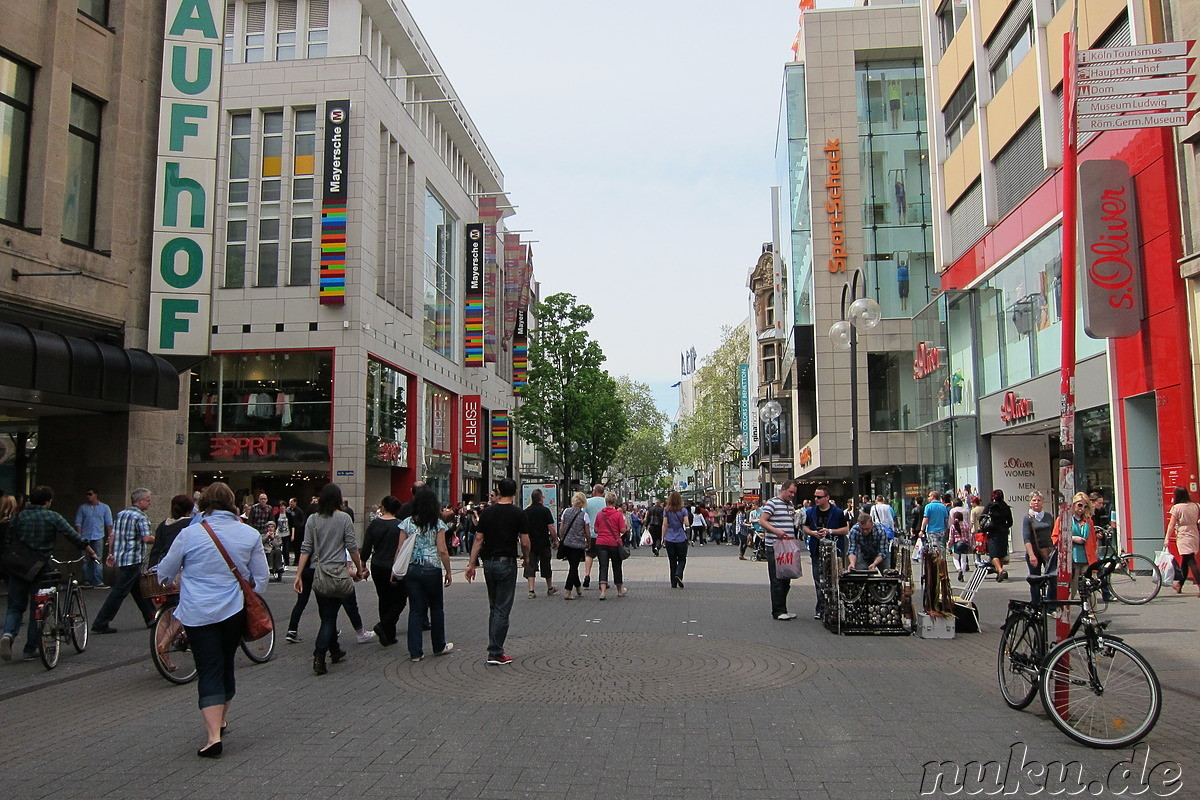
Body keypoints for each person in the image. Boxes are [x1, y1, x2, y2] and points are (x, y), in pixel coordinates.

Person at [153, 482, 268, 758]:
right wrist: (248, 593)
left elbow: (165, 572)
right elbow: (260, 578)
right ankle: (222, 719)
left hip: (197, 612)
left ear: (203, 503)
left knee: (208, 668)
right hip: (233, 611)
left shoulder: (189, 534)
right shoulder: (249, 534)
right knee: (226, 661)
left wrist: (169, 579)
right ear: (231, 502)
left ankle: (213, 736)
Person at [1, 486, 97, 662]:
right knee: (39, 607)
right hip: (41, 568)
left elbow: (8, 541)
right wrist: (90, 551)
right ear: (47, 501)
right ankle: (30, 649)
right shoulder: (52, 516)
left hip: (18, 567)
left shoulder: (19, 517)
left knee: (15, 606)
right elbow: (72, 534)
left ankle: (7, 635)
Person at [294, 483, 366, 675]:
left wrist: (299, 574)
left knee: (327, 614)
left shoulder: (312, 519)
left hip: (320, 574)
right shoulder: (344, 518)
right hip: (339, 574)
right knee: (329, 618)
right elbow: (352, 547)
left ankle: (334, 650)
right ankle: (320, 654)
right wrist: (359, 570)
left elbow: (306, 548)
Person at [466, 478, 530, 665]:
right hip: (507, 562)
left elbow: (478, 539)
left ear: (499, 492)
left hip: (489, 563)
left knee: (494, 607)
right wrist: (526, 558)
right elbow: (525, 541)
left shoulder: (487, 513)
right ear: (515, 492)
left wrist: (471, 563)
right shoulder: (518, 514)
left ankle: (494, 646)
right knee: (503, 608)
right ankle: (495, 651)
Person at [396, 488, 454, 662]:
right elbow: (442, 550)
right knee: (436, 608)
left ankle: (415, 652)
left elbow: (400, 549)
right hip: (432, 568)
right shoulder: (437, 524)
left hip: (412, 569)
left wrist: (395, 569)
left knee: (415, 610)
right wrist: (449, 571)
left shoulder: (406, 523)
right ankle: (438, 645)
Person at [91, 488, 156, 634]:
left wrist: (111, 553)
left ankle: (151, 616)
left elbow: (113, 536)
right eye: (148, 500)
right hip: (133, 558)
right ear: (140, 501)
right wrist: (159, 540)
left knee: (138, 590)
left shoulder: (121, 514)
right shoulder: (141, 517)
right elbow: (146, 538)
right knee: (119, 592)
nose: (149, 503)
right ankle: (101, 622)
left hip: (122, 558)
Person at [360, 495, 407, 646]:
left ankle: (387, 634)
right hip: (393, 566)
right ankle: (385, 627)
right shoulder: (400, 525)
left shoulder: (374, 524)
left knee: (383, 598)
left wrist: (363, 564)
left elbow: (366, 546)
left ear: (384, 507)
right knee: (399, 600)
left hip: (377, 564)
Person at [801, 485, 848, 619]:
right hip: (817, 549)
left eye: (819, 497)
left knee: (834, 578)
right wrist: (812, 533)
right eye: (815, 496)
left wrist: (830, 531)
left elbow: (846, 529)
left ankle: (834, 607)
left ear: (827, 498)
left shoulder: (838, 512)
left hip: (834, 551)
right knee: (818, 579)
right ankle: (821, 608)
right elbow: (805, 527)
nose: (816, 499)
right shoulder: (811, 512)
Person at [760, 480, 801, 620]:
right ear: (783, 489)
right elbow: (762, 520)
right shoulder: (772, 503)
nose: (792, 495)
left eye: (794, 493)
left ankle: (783, 608)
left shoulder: (790, 505)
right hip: (775, 546)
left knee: (786, 578)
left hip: (787, 547)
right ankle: (778, 611)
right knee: (777, 579)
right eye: (790, 492)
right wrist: (776, 531)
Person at [1053, 492, 1096, 599]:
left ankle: (1090, 612)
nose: (1082, 508)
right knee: (1071, 589)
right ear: (1073, 504)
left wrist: (1095, 555)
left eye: (1085, 506)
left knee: (1089, 588)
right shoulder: (1063, 519)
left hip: (1087, 558)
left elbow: (1093, 541)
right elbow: (1055, 538)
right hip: (1071, 559)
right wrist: (1072, 538)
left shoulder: (1088, 521)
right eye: (1079, 505)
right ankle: (1067, 612)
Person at [74, 489, 113, 588]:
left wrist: (110, 536)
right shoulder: (83, 508)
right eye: (87, 494)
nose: (88, 496)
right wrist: (79, 536)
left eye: (90, 494)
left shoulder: (104, 507)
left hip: (98, 536)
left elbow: (109, 523)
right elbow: (78, 522)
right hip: (85, 536)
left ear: (96, 495)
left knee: (98, 558)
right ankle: (86, 581)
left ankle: (98, 581)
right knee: (85, 559)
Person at [1022, 491, 1056, 605]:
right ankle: (1036, 604)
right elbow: (1026, 538)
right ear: (1030, 503)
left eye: (1039, 500)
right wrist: (1031, 555)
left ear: (1043, 502)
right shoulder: (1028, 518)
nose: (1036, 502)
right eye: (1034, 500)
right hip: (1034, 552)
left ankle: (1051, 604)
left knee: (1052, 578)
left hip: (1048, 552)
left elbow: (1054, 533)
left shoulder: (1048, 516)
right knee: (1035, 579)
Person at [593, 491, 628, 601]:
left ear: (606, 501)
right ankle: (619, 590)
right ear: (615, 501)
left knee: (603, 567)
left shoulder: (600, 514)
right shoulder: (618, 514)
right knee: (616, 566)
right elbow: (622, 530)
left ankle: (603, 592)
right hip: (614, 543)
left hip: (601, 543)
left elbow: (596, 529)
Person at [523, 489, 558, 599]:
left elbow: (523, 529)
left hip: (530, 543)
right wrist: (556, 539)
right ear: (540, 499)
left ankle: (531, 590)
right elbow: (551, 527)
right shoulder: (545, 511)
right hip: (543, 542)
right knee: (546, 565)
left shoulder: (526, 511)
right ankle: (550, 587)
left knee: (530, 565)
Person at [1165, 487, 1199, 596]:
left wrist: (1167, 538)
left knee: (1190, 559)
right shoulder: (1196, 505)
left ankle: (1199, 584)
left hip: (1183, 534)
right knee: (1186, 559)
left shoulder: (1176, 508)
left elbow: (1171, 524)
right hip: (1194, 533)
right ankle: (1179, 584)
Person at [147, 494, 196, 569]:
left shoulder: (163, 525)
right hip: (180, 568)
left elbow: (156, 550)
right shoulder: (190, 524)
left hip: (160, 566)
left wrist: (151, 568)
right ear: (190, 509)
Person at [558, 492, 591, 599]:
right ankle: (567, 591)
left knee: (573, 566)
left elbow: (562, 528)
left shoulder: (565, 512)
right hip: (578, 545)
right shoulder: (584, 515)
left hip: (567, 543)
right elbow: (587, 532)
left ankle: (577, 586)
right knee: (573, 567)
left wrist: (561, 538)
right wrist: (588, 543)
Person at [984, 489, 1014, 581]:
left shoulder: (990, 506)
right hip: (1003, 533)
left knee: (993, 554)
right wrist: (1005, 526)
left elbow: (983, 517)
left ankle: (1000, 570)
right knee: (1001, 554)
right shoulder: (1005, 506)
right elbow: (1010, 522)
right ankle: (998, 572)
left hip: (992, 532)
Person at [661, 491, 690, 588]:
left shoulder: (666, 510)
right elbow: (686, 523)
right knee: (682, 559)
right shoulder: (683, 510)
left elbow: (665, 524)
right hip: (681, 538)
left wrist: (662, 537)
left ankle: (673, 583)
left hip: (670, 538)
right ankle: (678, 574)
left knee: (672, 561)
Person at [582, 484, 605, 589]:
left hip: (590, 533)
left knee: (589, 555)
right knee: (603, 558)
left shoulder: (587, 502)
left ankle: (587, 575)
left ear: (595, 491)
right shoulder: (606, 502)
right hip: (603, 534)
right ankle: (602, 580)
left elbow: (583, 517)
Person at [947, 498, 971, 581]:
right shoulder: (966, 524)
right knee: (963, 559)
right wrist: (971, 544)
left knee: (955, 558)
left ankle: (959, 569)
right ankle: (963, 574)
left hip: (957, 543)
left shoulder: (954, 525)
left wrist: (949, 547)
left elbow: (951, 538)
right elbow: (969, 536)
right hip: (965, 543)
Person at [919, 490, 950, 555]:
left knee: (933, 547)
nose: (928, 498)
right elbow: (946, 519)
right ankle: (942, 560)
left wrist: (922, 530)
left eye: (929, 496)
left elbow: (925, 518)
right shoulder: (943, 506)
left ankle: (935, 561)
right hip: (942, 530)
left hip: (931, 530)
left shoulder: (928, 506)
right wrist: (946, 528)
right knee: (941, 546)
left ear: (933, 497)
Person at [285, 497, 306, 566]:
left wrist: (299, 527)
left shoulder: (299, 511)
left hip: (297, 531)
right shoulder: (287, 510)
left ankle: (297, 560)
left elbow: (302, 520)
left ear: (295, 502)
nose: (290, 503)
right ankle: (286, 561)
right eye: (290, 502)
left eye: (292, 502)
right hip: (288, 529)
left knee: (297, 547)